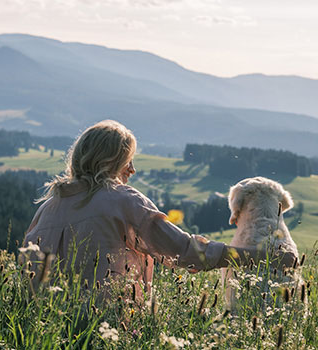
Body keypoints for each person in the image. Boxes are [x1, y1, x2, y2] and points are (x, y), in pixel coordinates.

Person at [22, 120, 295, 301]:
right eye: (127, 161)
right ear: (110, 161)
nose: (132, 170)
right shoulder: (122, 199)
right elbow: (182, 250)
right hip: (107, 327)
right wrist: (259, 258)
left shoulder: (46, 208)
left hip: (49, 328)